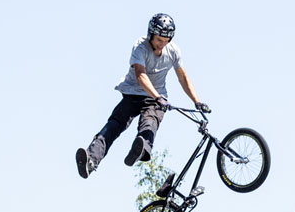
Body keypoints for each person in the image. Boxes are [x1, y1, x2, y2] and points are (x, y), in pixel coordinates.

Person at [76, 13, 210, 179]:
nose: (162, 44)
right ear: (151, 34)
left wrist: (196, 101)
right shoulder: (140, 47)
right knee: (115, 124)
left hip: (156, 99)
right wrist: (156, 96)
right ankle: (91, 159)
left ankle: (141, 150)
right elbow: (140, 76)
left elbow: (183, 77)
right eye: (159, 40)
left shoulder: (173, 51)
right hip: (134, 93)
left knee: (150, 122)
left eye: (166, 40)